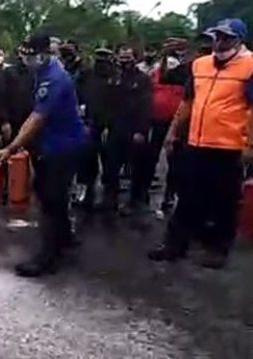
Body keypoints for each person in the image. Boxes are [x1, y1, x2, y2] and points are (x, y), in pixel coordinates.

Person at [149, 18, 253, 269]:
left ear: (239, 41)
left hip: (229, 146)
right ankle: (175, 245)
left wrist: (249, 145)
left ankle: (218, 248)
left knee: (224, 200)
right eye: (216, 37)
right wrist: (173, 132)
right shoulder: (200, 65)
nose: (219, 42)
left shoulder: (249, 66)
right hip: (196, 141)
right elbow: (187, 103)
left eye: (226, 38)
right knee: (187, 195)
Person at [0, 31, 86, 277]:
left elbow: (37, 118)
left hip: (63, 146)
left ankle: (47, 258)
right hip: (53, 143)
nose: (26, 61)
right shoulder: (43, 71)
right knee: (54, 195)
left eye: (31, 56)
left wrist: (11, 147)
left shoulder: (54, 79)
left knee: (50, 199)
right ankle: (65, 239)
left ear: (45, 54)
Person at [101, 45, 152, 218]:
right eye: (122, 57)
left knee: (137, 169)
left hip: (134, 128)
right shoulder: (113, 78)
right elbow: (106, 104)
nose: (124, 61)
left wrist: (141, 130)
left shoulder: (143, 79)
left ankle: (135, 201)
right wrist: (105, 126)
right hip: (115, 127)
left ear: (135, 58)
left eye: (128, 57)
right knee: (111, 167)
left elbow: (146, 106)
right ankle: (110, 199)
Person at [141, 38, 189, 211]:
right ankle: (142, 191)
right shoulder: (155, 70)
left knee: (174, 160)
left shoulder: (186, 71)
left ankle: (169, 195)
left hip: (176, 121)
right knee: (149, 156)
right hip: (155, 119)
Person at [74, 47, 115, 210]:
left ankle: (108, 196)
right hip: (88, 122)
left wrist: (110, 124)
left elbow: (119, 102)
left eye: (105, 57)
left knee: (109, 162)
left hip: (109, 125)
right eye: (99, 57)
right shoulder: (87, 74)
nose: (102, 60)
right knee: (85, 160)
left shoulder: (115, 76)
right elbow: (77, 95)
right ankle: (85, 193)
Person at [4, 46, 35, 137]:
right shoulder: (9, 72)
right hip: (14, 118)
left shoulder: (35, 72)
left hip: (31, 117)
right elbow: (3, 96)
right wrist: (5, 120)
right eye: (22, 53)